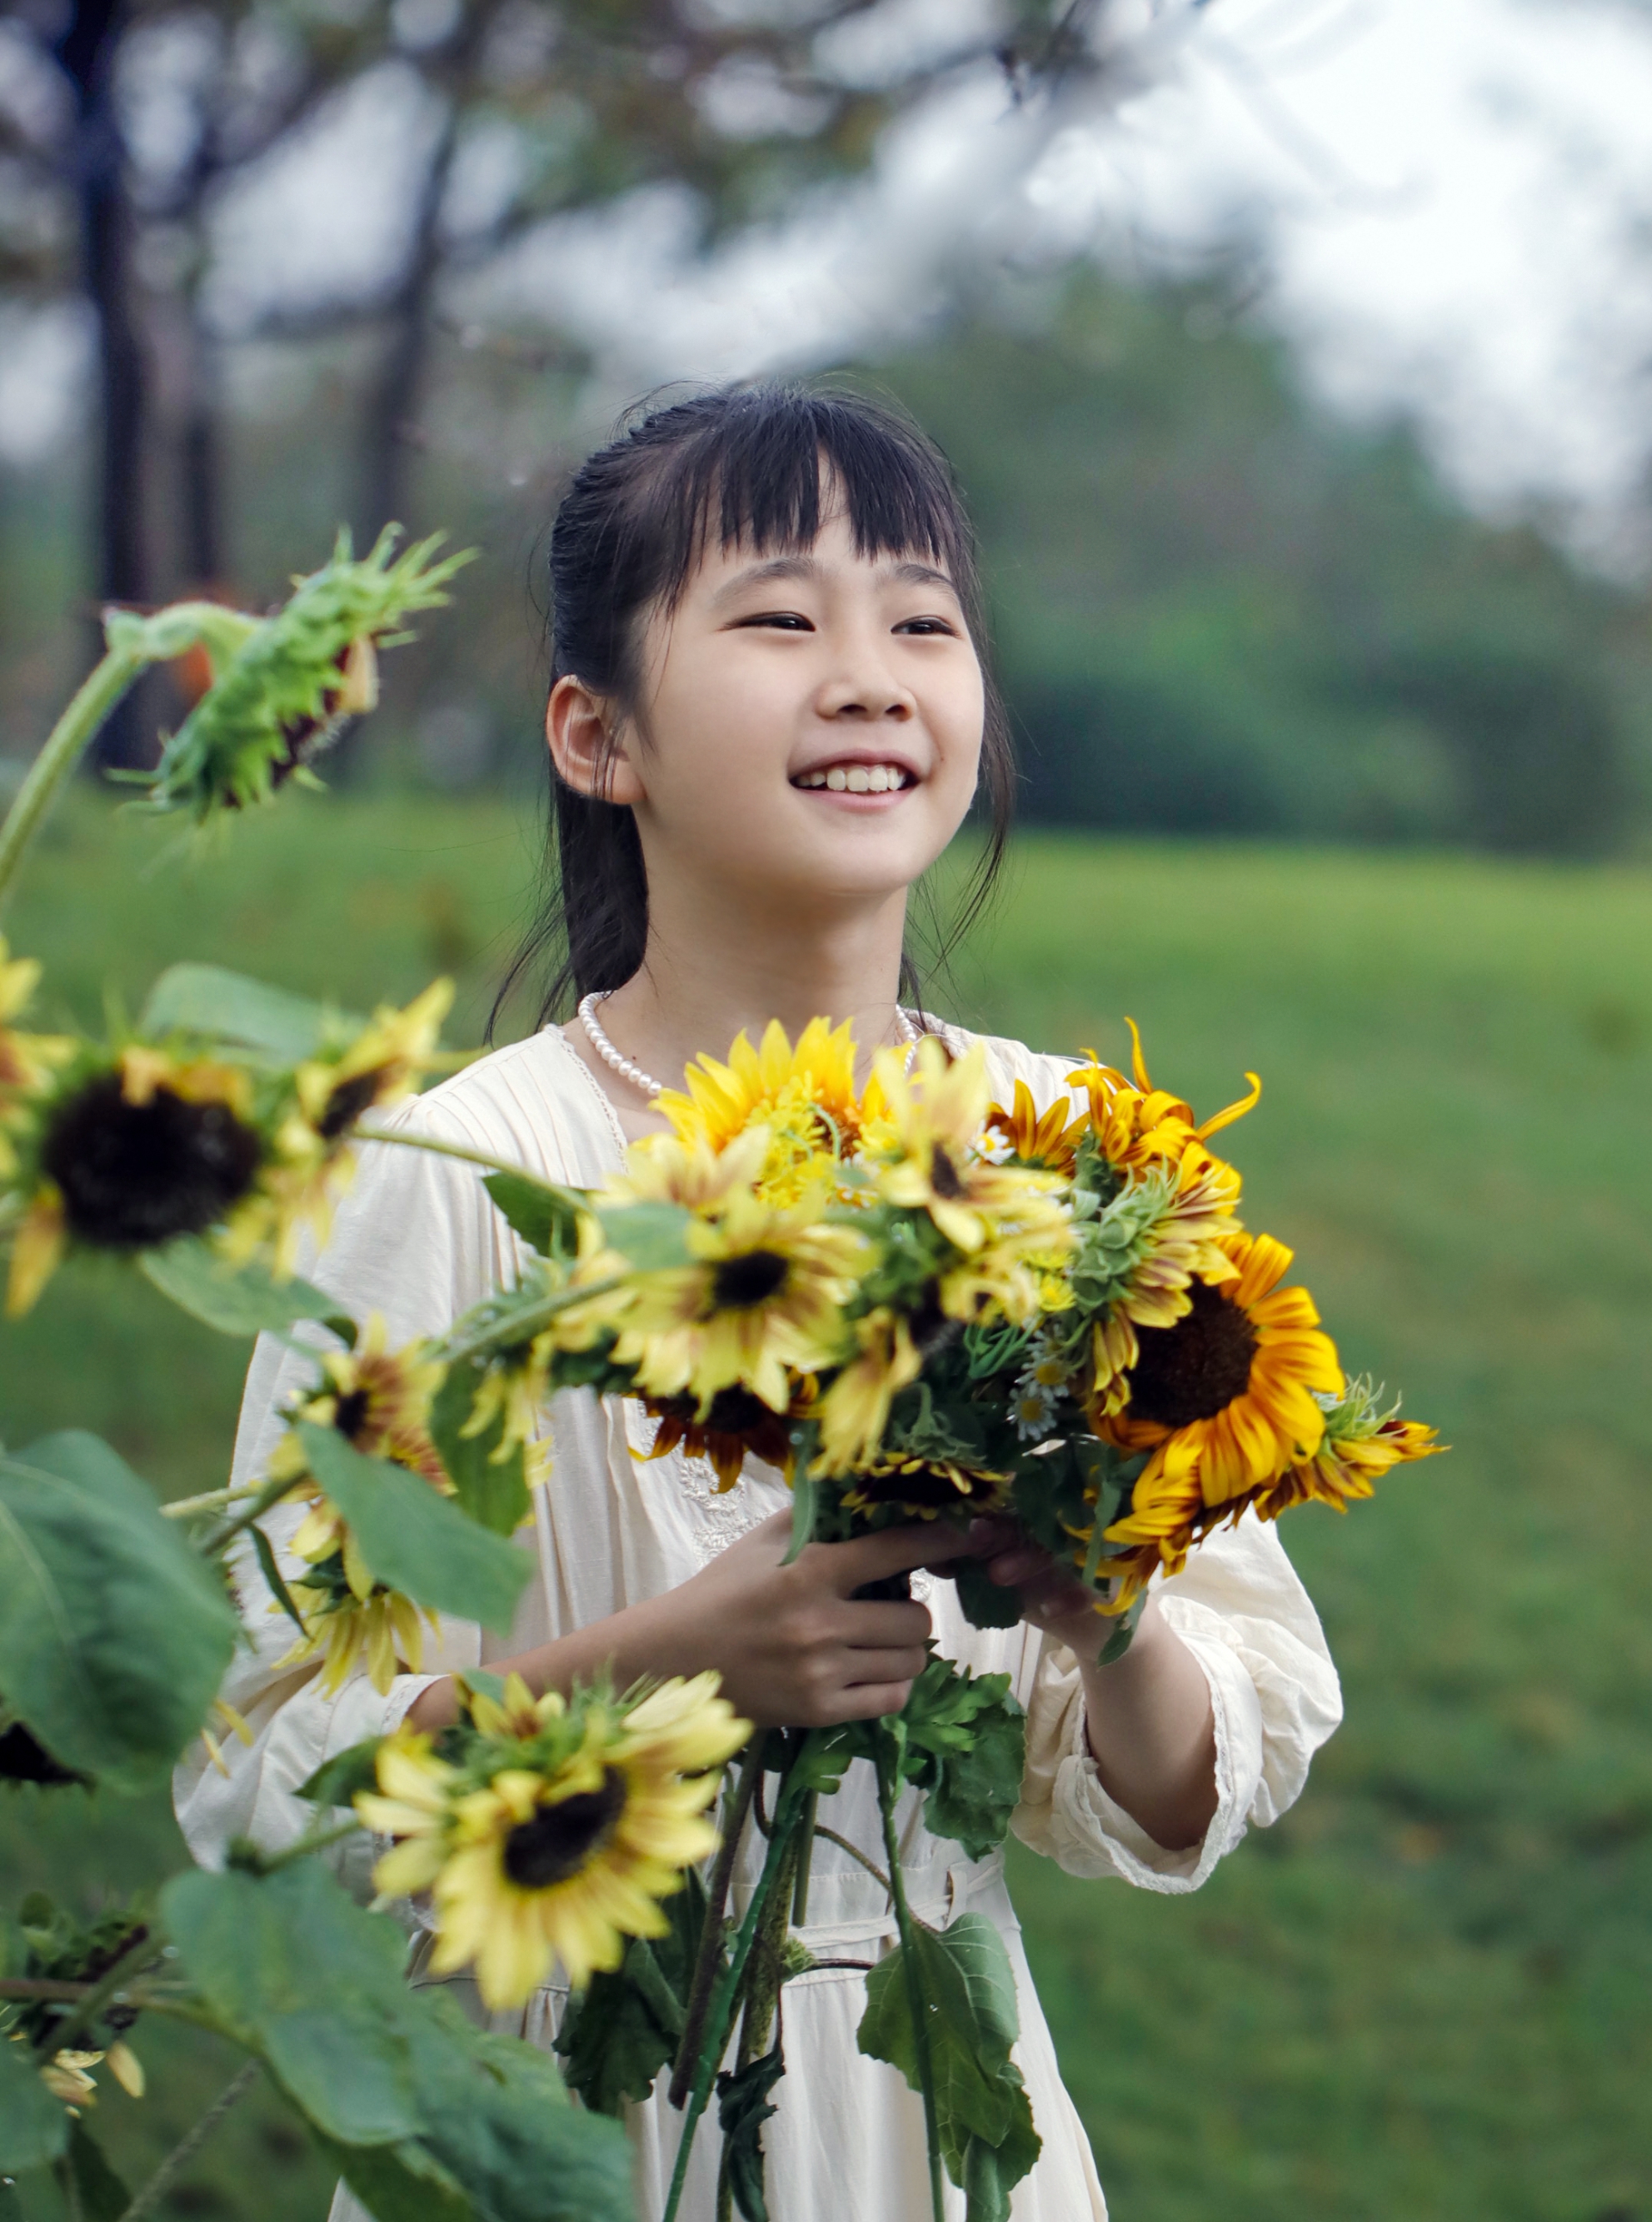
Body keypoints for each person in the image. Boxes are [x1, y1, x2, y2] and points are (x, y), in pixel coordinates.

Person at [176, 383, 1342, 2221]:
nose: (870, 673)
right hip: (545, 2123)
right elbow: (270, 1796)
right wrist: (667, 1663)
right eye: (782, 618)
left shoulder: (1070, 1157)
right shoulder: (458, 1177)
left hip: (941, 2134)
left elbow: (1190, 1781)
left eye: (923, 620)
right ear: (595, 732)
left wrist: (1104, 1610)